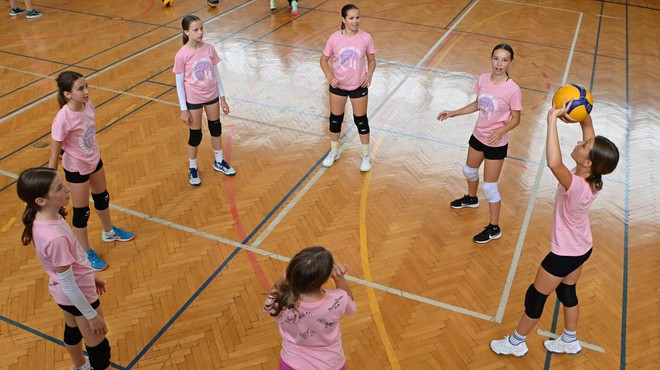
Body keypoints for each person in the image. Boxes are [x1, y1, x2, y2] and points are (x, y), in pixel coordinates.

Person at [489, 101, 620, 356]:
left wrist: (552, 119)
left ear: (588, 162)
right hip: (582, 247)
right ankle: (570, 340)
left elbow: (553, 163)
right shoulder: (591, 176)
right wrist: (580, 111)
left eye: (583, 146)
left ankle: (516, 343)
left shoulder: (578, 186)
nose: (580, 143)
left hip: (565, 254)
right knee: (566, 289)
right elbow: (589, 129)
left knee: (535, 296)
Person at [17, 168, 112, 370]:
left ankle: (79, 365)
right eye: (60, 188)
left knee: (73, 329)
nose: (68, 189)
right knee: (99, 348)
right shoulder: (55, 238)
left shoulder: (43, 216)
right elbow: (70, 284)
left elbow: (73, 257)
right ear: (41, 200)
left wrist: (89, 274)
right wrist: (91, 316)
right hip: (78, 295)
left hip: (65, 293)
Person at [48, 71, 135, 272]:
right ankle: (84, 250)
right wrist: (51, 179)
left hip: (94, 161)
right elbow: (54, 152)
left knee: (102, 197)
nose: (86, 91)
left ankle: (109, 231)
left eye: (86, 86)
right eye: (80, 89)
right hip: (76, 168)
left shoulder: (88, 106)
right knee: (82, 212)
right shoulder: (62, 118)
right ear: (67, 94)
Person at [437, 43, 522, 244]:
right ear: (491, 58)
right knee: (469, 171)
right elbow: (478, 104)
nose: (499, 64)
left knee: (490, 188)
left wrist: (501, 130)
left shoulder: (513, 89)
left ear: (510, 62)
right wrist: (453, 112)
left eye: (504, 60)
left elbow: (516, 119)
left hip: (496, 143)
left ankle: (494, 228)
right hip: (478, 136)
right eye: (496, 58)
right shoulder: (483, 79)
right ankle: (471, 198)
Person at [264, 246, 356, 370]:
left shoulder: (281, 300)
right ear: (325, 279)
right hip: (331, 364)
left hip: (292, 364)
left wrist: (286, 275)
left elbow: (275, 292)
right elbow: (350, 305)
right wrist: (340, 278)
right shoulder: (339, 299)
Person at [173, 15, 235, 186]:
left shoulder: (209, 49)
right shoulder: (182, 55)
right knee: (196, 134)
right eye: (196, 30)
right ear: (186, 32)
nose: (200, 32)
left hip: (212, 96)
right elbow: (179, 84)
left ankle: (219, 161)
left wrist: (223, 98)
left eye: (202, 28)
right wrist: (183, 109)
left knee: (216, 128)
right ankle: (192, 167)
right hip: (193, 99)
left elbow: (216, 75)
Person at [320, 3, 376, 172]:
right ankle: (334, 152)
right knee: (335, 120)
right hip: (338, 86)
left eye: (357, 17)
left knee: (361, 121)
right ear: (343, 19)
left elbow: (372, 60)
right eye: (351, 18)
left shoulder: (366, 38)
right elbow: (323, 60)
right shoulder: (334, 38)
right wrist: (330, 77)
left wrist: (369, 74)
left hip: (359, 85)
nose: (355, 21)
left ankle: (366, 156)